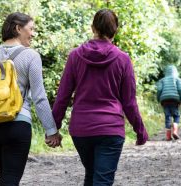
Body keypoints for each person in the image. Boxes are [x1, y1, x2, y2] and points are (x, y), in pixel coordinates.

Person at [52, 9, 148, 186]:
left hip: (81, 130)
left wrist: (53, 128)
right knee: (102, 180)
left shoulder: (75, 56)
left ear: (92, 27)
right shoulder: (123, 59)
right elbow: (129, 102)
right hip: (110, 129)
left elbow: (63, 96)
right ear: (115, 30)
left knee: (92, 176)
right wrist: (140, 129)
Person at [0, 12, 62, 185]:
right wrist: (51, 131)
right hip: (17, 125)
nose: (33, 33)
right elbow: (39, 98)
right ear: (18, 28)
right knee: (10, 178)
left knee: (7, 176)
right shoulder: (31, 56)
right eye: (31, 29)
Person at [156, 65, 181, 141]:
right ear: (176, 72)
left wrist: (158, 100)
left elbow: (159, 90)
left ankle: (168, 136)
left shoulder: (162, 80)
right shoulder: (178, 79)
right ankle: (175, 131)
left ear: (166, 72)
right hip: (175, 99)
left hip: (164, 100)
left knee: (167, 116)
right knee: (176, 115)